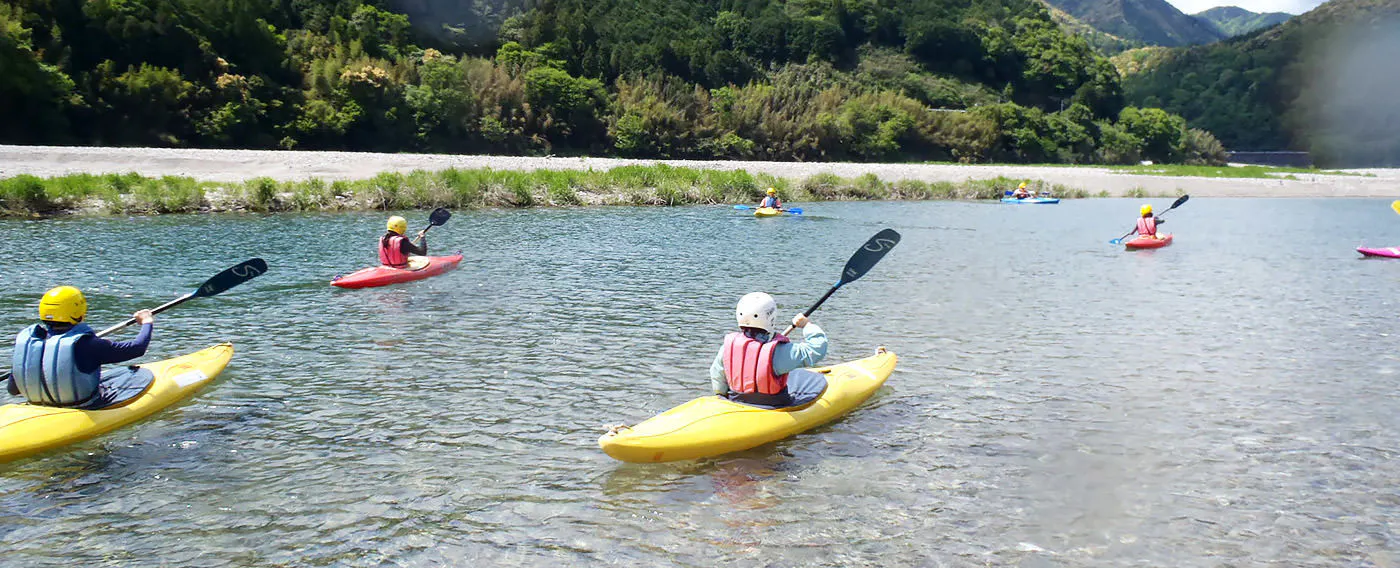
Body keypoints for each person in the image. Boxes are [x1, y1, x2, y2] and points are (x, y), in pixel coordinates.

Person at [8, 286, 155, 408]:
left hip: (37, 405)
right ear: (78, 311)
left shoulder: (29, 342)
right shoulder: (87, 344)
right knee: (134, 375)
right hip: (81, 406)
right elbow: (137, 348)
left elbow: (13, 390)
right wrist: (147, 321)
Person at [709, 292, 828, 407]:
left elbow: (717, 374)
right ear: (771, 317)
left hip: (736, 401)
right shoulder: (780, 351)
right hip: (773, 406)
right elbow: (817, 349)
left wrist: (723, 397)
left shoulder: (727, 347)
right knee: (808, 378)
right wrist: (807, 325)